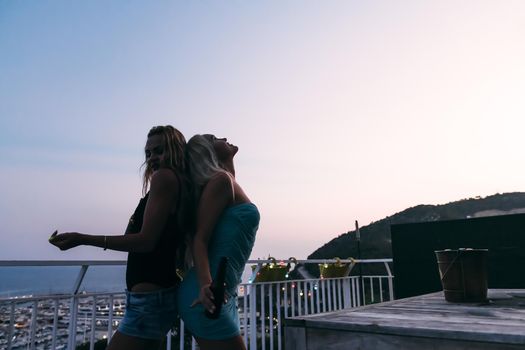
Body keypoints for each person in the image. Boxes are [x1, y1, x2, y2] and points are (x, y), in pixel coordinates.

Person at [49, 125, 189, 350]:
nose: (152, 158)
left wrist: (82, 238)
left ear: (175, 150)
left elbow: (145, 241)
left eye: (159, 150)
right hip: (157, 297)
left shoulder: (164, 178)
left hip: (149, 302)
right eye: (148, 153)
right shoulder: (178, 183)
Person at [178, 134, 260, 350]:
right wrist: (205, 285)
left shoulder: (226, 180)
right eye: (214, 137)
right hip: (206, 295)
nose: (224, 137)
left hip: (223, 295)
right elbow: (200, 240)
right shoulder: (221, 182)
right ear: (208, 151)